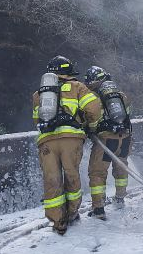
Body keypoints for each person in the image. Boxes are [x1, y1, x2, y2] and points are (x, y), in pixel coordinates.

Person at [33, 56, 103, 235]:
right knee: (71, 175)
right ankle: (72, 214)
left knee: (52, 179)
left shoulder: (39, 93)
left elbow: (36, 119)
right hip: (71, 139)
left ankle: (58, 223)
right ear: (68, 72)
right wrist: (91, 128)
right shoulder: (78, 87)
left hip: (47, 141)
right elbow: (94, 108)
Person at [84, 66, 132, 221]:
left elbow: (93, 119)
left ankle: (98, 208)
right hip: (124, 138)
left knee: (97, 173)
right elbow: (128, 115)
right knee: (121, 168)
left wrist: (91, 131)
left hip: (106, 140)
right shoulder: (120, 95)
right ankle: (120, 199)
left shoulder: (93, 96)